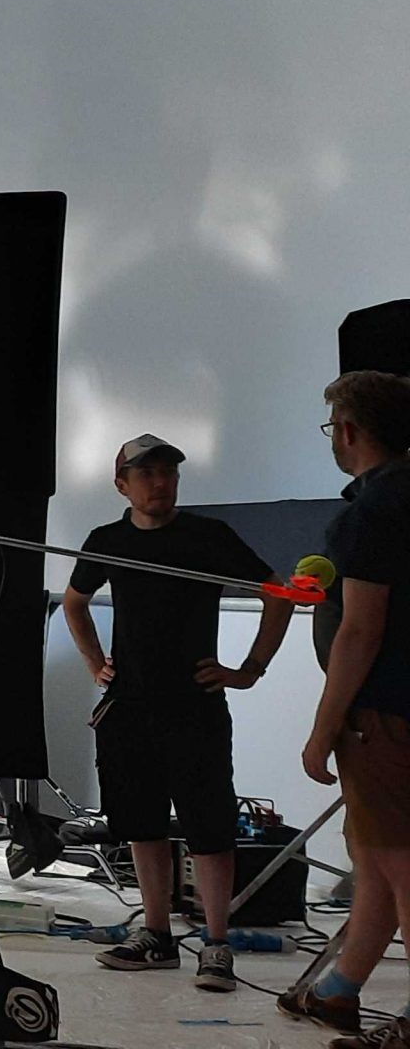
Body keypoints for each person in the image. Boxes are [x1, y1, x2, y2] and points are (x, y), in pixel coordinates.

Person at [65, 433, 292, 990]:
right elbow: (74, 602)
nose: (160, 483)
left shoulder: (207, 537)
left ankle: (216, 945)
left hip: (194, 705)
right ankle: (157, 936)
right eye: (146, 474)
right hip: (129, 706)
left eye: (168, 473)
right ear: (122, 485)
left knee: (209, 827)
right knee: (141, 823)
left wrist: (250, 669)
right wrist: (95, 663)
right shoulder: (107, 540)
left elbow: (278, 594)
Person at [295, 373, 410, 1047]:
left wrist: (322, 727)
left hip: (385, 716)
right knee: (377, 858)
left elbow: (361, 630)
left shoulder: (371, 513)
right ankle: (338, 990)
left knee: (400, 860)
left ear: (349, 431)